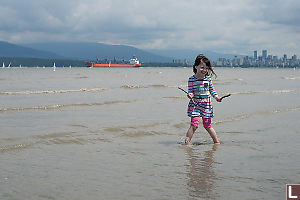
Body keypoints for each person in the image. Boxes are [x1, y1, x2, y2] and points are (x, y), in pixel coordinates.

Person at [185, 54, 222, 145]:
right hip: (195, 105)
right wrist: (190, 95)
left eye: (206, 68)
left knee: (207, 125)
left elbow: (212, 90)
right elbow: (190, 91)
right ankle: (187, 143)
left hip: (206, 105)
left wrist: (217, 97)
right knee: (194, 125)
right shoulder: (191, 79)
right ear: (196, 66)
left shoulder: (208, 79)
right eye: (202, 67)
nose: (204, 70)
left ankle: (216, 142)